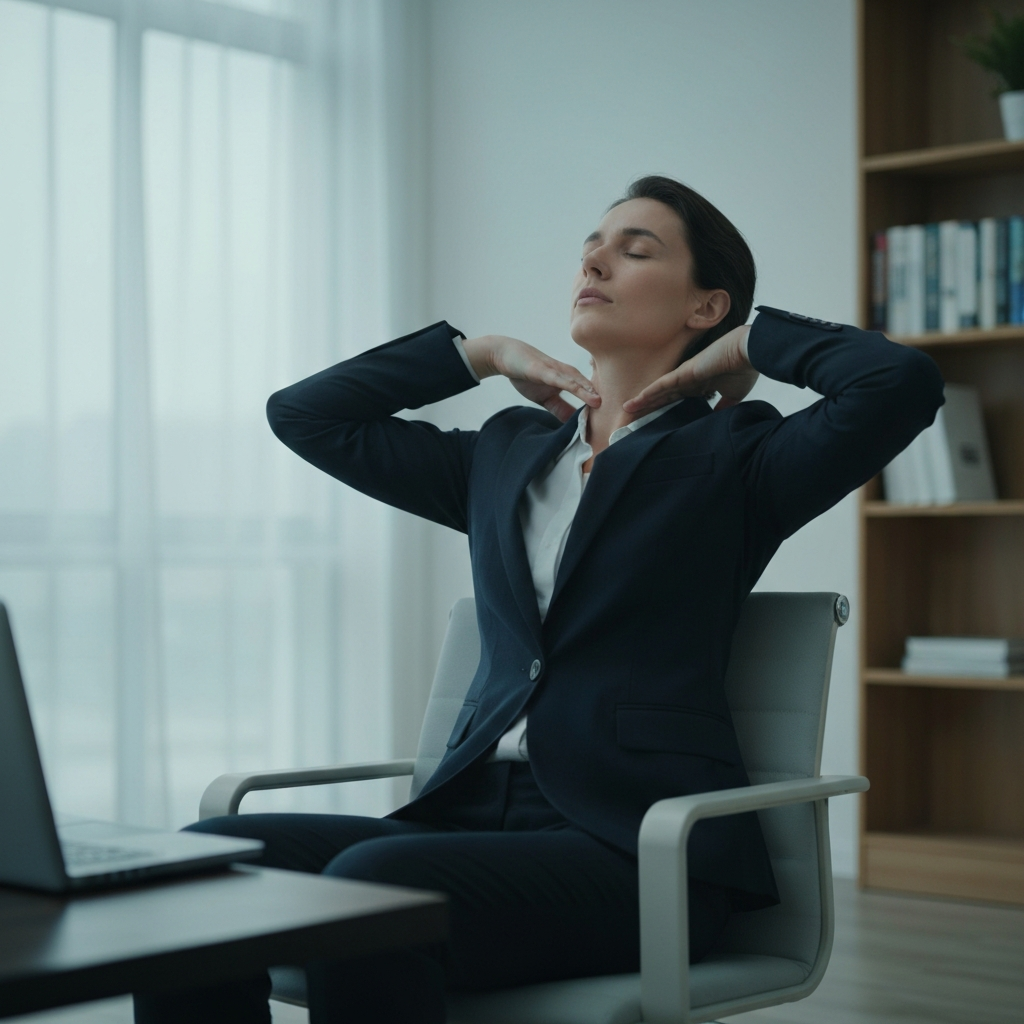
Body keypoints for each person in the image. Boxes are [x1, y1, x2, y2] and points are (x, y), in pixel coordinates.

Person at [134, 175, 944, 1024]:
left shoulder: (738, 457)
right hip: (464, 823)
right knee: (196, 869)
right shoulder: (504, 452)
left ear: (706, 306)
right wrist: (478, 356)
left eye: (636, 249)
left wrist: (749, 346)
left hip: (635, 847)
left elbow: (901, 384)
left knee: (372, 892)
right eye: (592, 246)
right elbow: (306, 416)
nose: (595, 258)